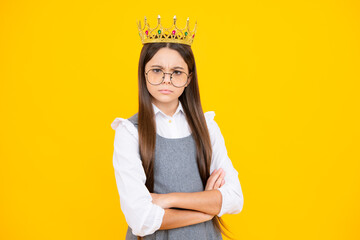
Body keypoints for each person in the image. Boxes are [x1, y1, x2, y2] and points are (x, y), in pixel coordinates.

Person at [111, 15, 244, 240]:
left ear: (189, 78)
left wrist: (168, 199)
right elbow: (141, 219)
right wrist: (206, 208)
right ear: (143, 75)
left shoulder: (207, 127)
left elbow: (234, 198)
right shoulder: (129, 131)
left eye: (177, 72)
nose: (166, 80)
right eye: (156, 70)